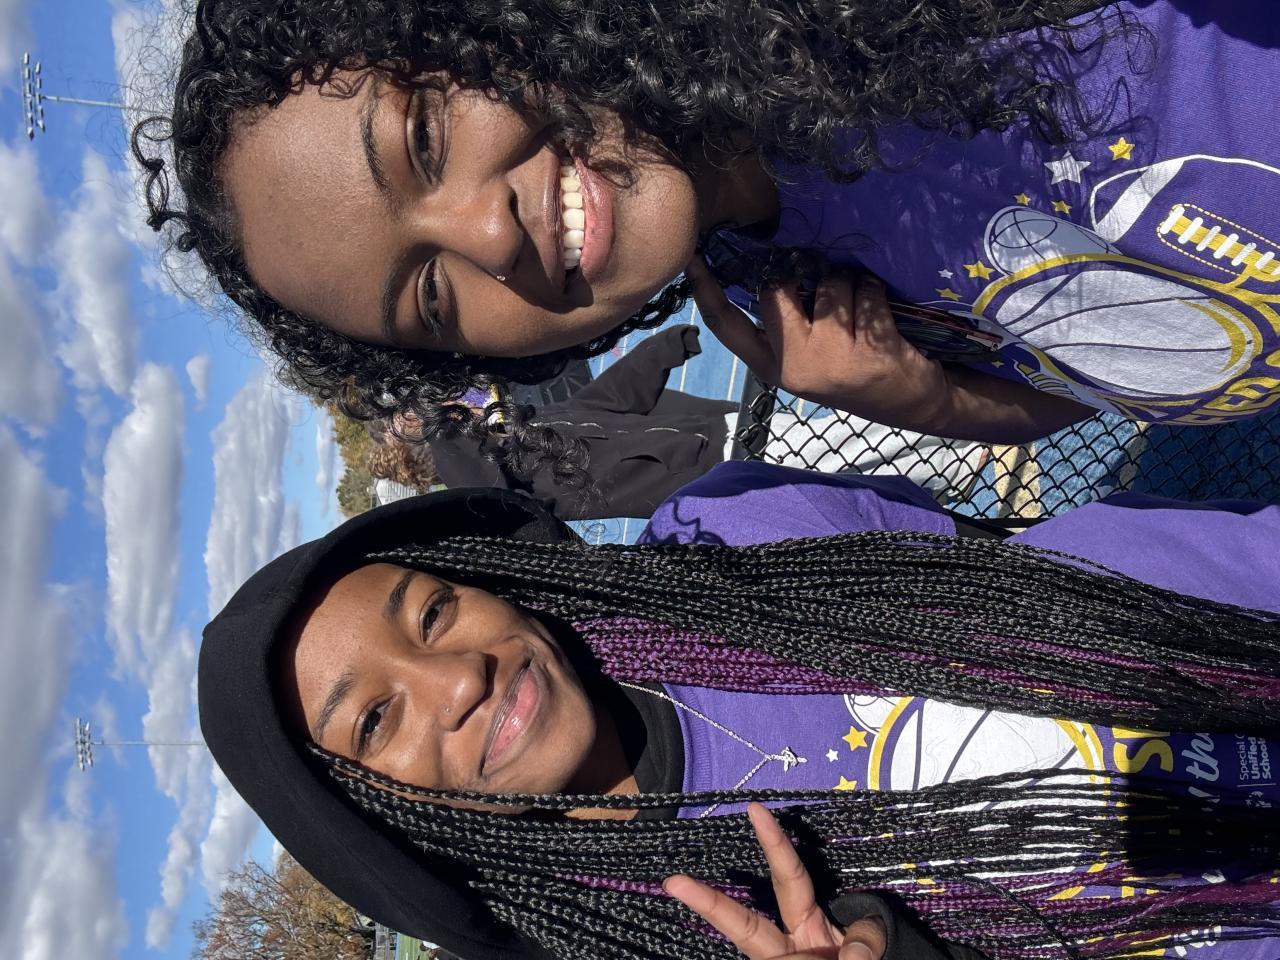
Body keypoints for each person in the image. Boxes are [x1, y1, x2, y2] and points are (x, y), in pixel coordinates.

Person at [136, 0, 1280, 478]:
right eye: (429, 298)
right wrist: (922, 401)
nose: (484, 233)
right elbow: (1106, 381)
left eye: (423, 137)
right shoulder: (783, 288)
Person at [200, 460, 1280, 960]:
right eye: (375, 721)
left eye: (432, 610)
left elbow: (1006, 553)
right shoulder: (646, 948)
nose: (458, 679)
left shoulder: (730, 537)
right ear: (375, 816)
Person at [414, 325, 987, 517]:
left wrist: (662, 350)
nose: (481, 407)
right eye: (469, 414)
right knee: (838, 458)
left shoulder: (539, 425)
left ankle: (950, 462)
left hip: (721, 433)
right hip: (715, 471)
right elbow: (480, 484)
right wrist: (451, 434)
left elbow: (611, 397)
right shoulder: (530, 488)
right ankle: (954, 461)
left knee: (839, 444)